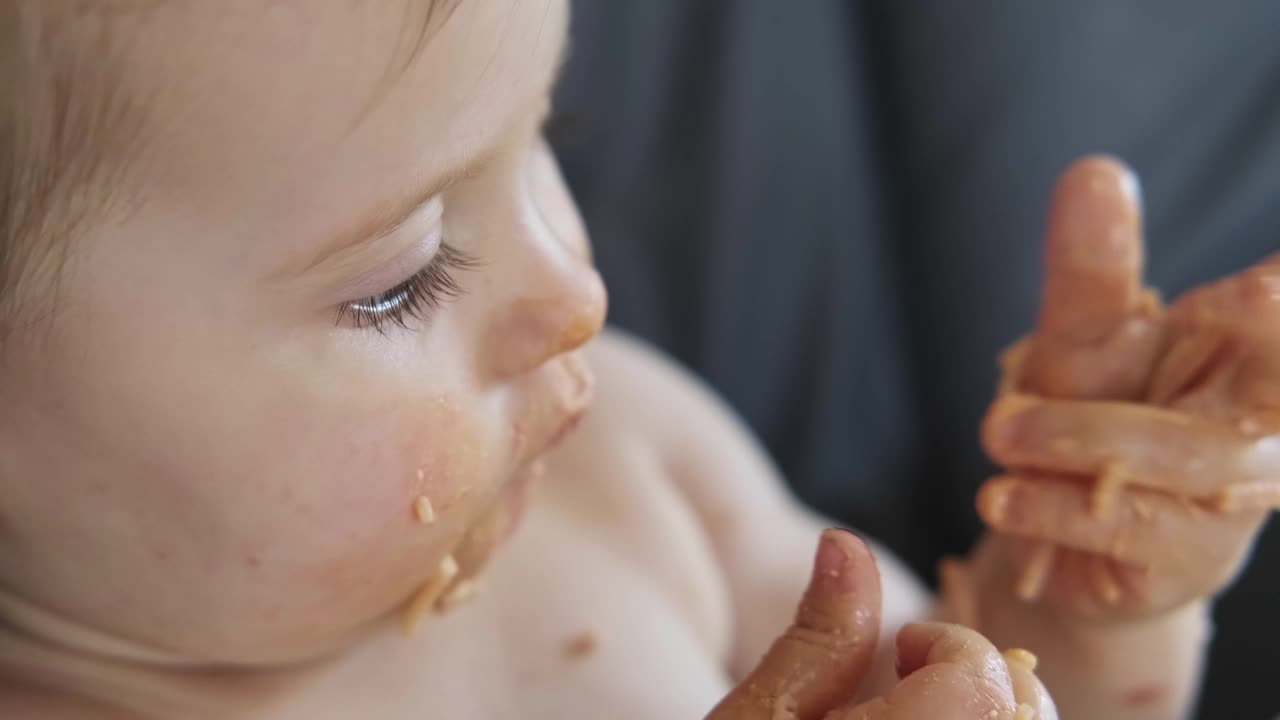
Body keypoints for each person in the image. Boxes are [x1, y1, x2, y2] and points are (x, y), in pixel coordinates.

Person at [0, 2, 1271, 718]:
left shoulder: (633, 473)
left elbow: (957, 675)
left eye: (544, 131)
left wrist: (1068, 604)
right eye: (403, 278)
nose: (572, 290)